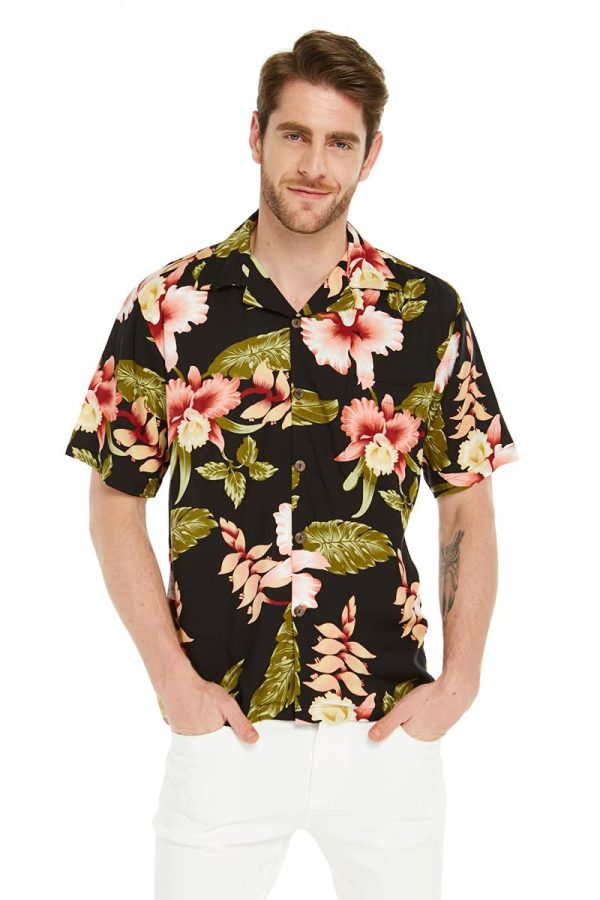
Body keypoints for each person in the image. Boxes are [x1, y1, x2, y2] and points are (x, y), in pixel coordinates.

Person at [64, 28, 519, 900]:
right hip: (223, 729)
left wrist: (461, 681)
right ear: (255, 135)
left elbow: (467, 505)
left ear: (371, 155)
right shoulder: (167, 307)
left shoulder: (427, 312)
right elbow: (113, 504)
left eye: (340, 142)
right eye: (295, 135)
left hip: (387, 729)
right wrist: (173, 684)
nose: (314, 165)